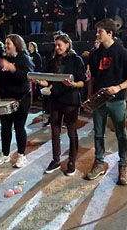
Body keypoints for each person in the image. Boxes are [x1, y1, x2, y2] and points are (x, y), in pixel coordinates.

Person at [86, 18, 127, 183]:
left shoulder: (122, 53)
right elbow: (92, 77)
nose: (97, 34)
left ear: (110, 33)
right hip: (99, 101)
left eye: (100, 31)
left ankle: (123, 165)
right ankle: (99, 162)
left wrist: (118, 87)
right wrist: (89, 96)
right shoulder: (95, 54)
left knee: (121, 134)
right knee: (98, 134)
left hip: (117, 100)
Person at [40, 33, 86, 176]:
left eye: (60, 45)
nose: (57, 47)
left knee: (72, 132)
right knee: (55, 131)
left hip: (71, 101)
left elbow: (82, 81)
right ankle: (56, 160)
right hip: (55, 100)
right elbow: (48, 81)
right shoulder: (53, 61)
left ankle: (72, 161)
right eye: (55, 45)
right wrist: (41, 82)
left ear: (67, 45)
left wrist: (73, 84)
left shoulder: (76, 60)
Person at [0, 34, 34, 168]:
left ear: (16, 44)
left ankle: (21, 155)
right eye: (5, 43)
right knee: (5, 127)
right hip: (5, 99)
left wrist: (12, 68)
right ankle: (5, 154)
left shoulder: (24, 59)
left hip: (21, 98)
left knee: (19, 126)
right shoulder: (4, 58)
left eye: (8, 43)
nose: (6, 45)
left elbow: (25, 77)